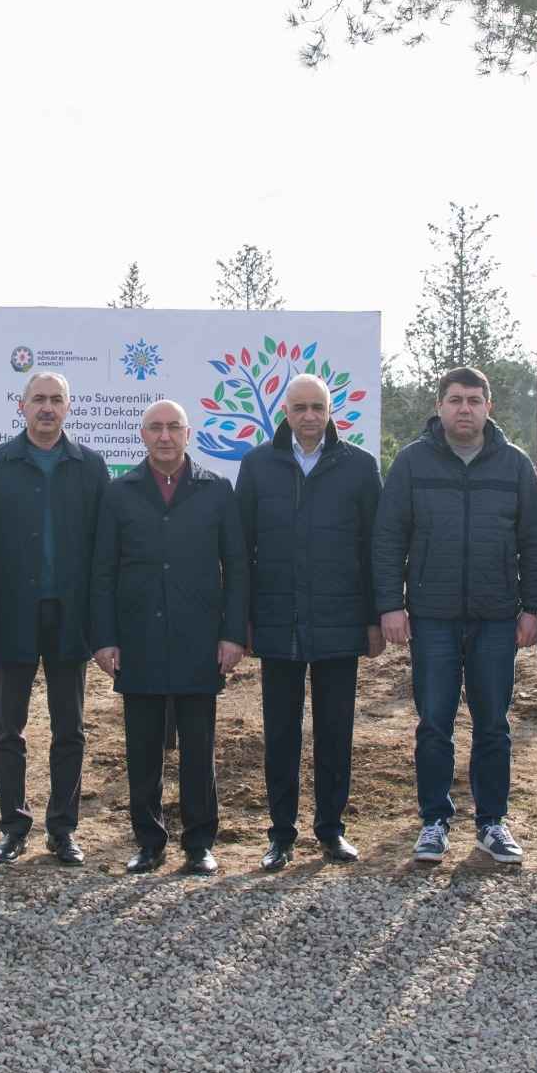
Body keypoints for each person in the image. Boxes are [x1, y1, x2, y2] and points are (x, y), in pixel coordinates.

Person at [371, 366, 537, 867]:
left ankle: (492, 822)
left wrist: (533, 608)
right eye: (455, 400)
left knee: (493, 723)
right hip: (432, 616)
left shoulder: (515, 465)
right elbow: (388, 538)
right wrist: (390, 603)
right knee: (434, 722)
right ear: (440, 406)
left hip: (497, 618)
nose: (465, 409)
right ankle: (434, 821)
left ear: (488, 406)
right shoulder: (411, 463)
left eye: (474, 399)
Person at [91, 400, 249, 877]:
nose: (164, 436)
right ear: (142, 435)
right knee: (141, 748)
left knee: (199, 747)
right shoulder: (120, 493)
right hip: (137, 640)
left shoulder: (217, 490)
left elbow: (238, 568)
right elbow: (102, 572)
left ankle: (199, 843)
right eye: (155, 428)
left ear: (187, 433)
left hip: (199, 640)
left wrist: (232, 634)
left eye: (173, 427)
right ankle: (149, 841)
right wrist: (104, 638)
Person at [234, 373, 381, 870]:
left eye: (318, 406)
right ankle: (280, 834)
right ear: (285, 411)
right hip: (277, 622)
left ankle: (331, 830)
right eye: (300, 408)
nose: (310, 417)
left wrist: (376, 618)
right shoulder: (257, 466)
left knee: (335, 732)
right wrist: (244, 620)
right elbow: (241, 552)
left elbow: (374, 550)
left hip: (340, 623)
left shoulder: (359, 468)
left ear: (331, 408)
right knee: (280, 734)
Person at [0, 371, 107, 866]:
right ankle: (13, 825)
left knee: (69, 729)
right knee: (9, 728)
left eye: (56, 400)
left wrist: (100, 626)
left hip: (70, 618)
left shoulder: (90, 466)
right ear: (21, 406)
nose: (47, 408)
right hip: (13, 618)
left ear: (69, 408)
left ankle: (63, 828)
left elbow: (102, 553)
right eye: (38, 400)